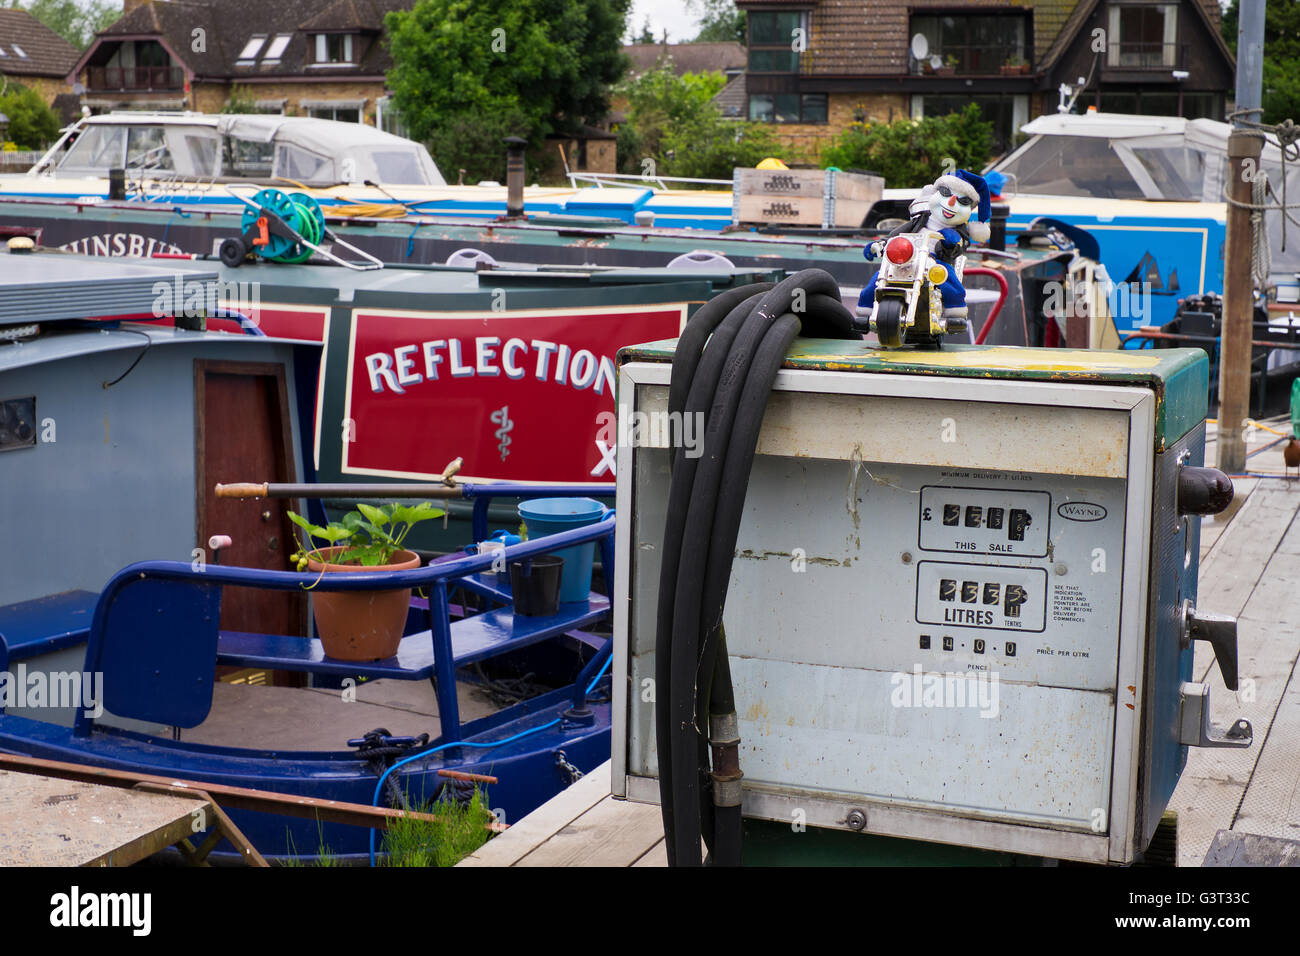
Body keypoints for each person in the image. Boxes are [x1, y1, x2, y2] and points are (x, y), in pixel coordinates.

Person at [859, 168, 991, 320]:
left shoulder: (959, 232)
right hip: (907, 257)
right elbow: (899, 233)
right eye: (945, 193)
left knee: (948, 279)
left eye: (964, 201)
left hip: (936, 262)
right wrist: (882, 244)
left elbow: (957, 249)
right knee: (880, 276)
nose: (951, 202)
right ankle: (866, 310)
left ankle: (955, 311)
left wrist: (949, 244)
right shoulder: (921, 218)